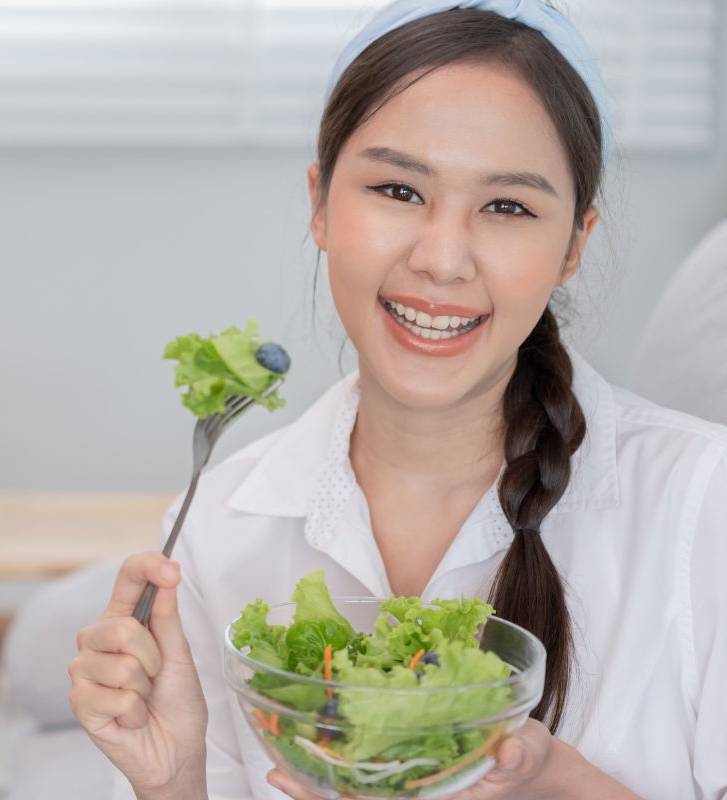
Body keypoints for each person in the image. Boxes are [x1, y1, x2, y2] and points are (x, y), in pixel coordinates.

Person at [67, 1, 727, 798]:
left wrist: (566, 786)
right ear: (320, 202)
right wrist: (172, 781)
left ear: (573, 245)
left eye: (507, 206)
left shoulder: (703, 506)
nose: (442, 259)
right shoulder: (217, 529)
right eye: (398, 189)